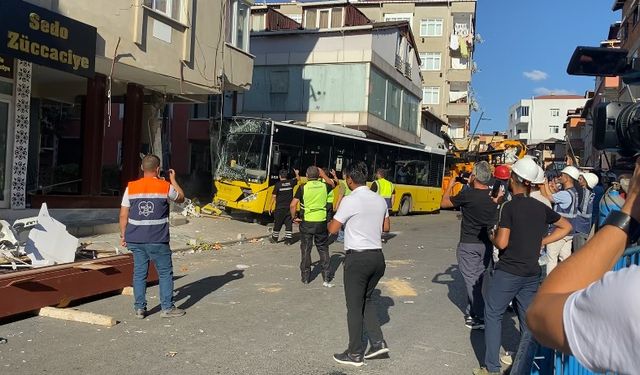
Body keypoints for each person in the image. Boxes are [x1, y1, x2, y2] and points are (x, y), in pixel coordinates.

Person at [527, 158, 640, 375]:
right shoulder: (583, 193)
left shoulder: (631, 296)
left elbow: (539, 314)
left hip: (567, 233)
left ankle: (569, 295)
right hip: (577, 231)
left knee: (554, 264)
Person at [473, 158, 572, 375]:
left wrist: (491, 234)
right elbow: (566, 226)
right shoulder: (541, 206)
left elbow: (502, 242)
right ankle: (526, 363)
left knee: (493, 313)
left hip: (508, 271)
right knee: (528, 320)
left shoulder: (508, 207)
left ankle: (491, 368)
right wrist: (543, 242)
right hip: (531, 272)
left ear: (516, 179)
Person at [328, 162, 391, 367]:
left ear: (349, 180)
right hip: (377, 258)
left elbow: (333, 229)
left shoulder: (350, 200)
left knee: (354, 307)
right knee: (367, 299)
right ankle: (378, 343)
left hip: (358, 259)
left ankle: (355, 353)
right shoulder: (380, 199)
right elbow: (386, 227)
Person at [119, 154, 186, 319]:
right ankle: (167, 308)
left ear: (142, 168)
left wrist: (123, 235)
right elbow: (181, 198)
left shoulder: (131, 187)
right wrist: (172, 180)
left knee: (140, 273)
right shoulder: (165, 187)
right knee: (164, 272)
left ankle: (140, 309)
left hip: (135, 238)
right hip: (158, 239)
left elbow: (123, 215)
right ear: (158, 169)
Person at [441, 161, 498, 330]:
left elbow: (444, 203)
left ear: (474, 176)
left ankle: (481, 315)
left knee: (471, 281)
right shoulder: (493, 197)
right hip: (486, 244)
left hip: (468, 243)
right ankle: (472, 313)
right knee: (480, 280)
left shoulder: (468, 195)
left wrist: (451, 185)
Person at [290, 166, 336, 286]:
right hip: (321, 222)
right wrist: (324, 175)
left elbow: (292, 205)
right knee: (323, 248)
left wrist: (294, 217)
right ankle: (326, 276)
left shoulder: (302, 188)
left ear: (306, 174)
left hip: (307, 222)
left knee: (306, 249)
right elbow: (333, 183)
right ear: (318, 175)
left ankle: (305, 276)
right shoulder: (324, 186)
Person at [541, 166, 581, 274]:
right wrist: (553, 189)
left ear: (567, 178)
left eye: (562, 175)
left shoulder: (565, 194)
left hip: (558, 231)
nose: (560, 176)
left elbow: (547, 197)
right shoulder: (574, 192)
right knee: (565, 260)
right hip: (569, 233)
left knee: (551, 259)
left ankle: (549, 284)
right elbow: (555, 196)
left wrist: (544, 184)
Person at [269, 169, 300, 245]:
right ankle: (288, 240)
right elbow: (298, 179)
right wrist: (296, 173)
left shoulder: (278, 185)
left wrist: (270, 207)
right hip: (288, 208)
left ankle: (274, 238)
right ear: (286, 176)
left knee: (278, 224)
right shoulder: (291, 182)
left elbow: (274, 197)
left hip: (279, 208)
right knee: (288, 224)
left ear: (280, 176)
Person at [573, 172, 598, 251]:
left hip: (580, 228)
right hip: (584, 227)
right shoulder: (591, 192)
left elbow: (583, 210)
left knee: (578, 253)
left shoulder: (585, 193)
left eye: (580, 179)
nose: (578, 181)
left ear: (586, 182)